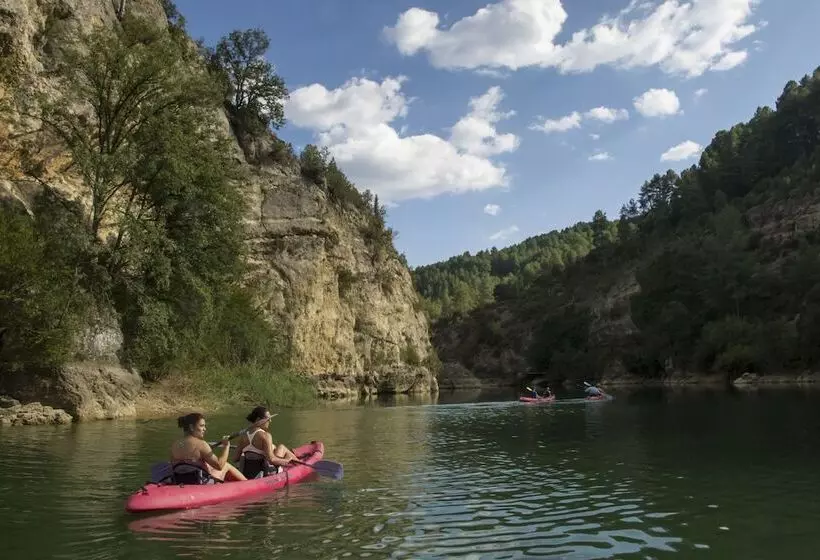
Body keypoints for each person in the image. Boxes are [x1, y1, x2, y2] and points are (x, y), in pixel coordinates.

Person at [171, 412, 247, 483]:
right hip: (199, 482)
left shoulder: (175, 444)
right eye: (201, 426)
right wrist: (226, 447)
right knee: (226, 465)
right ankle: (248, 484)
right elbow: (219, 466)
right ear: (191, 427)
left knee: (209, 466)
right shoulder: (201, 444)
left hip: (180, 481)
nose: (205, 429)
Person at [233, 406, 298, 479]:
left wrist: (250, 453)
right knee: (282, 448)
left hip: (247, 474)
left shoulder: (243, 436)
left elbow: (235, 459)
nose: (270, 421)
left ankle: (297, 461)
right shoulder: (265, 436)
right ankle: (299, 465)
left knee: (281, 447)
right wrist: (286, 460)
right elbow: (272, 460)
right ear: (258, 419)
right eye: (268, 419)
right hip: (263, 473)